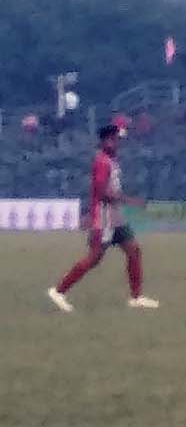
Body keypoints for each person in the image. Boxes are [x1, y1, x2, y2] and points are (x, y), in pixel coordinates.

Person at [48, 126, 159, 312]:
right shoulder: (101, 161)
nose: (117, 144)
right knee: (94, 258)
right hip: (104, 217)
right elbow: (102, 192)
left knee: (134, 250)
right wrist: (130, 201)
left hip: (115, 217)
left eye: (117, 140)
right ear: (104, 140)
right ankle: (58, 291)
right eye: (113, 140)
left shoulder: (110, 160)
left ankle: (136, 297)